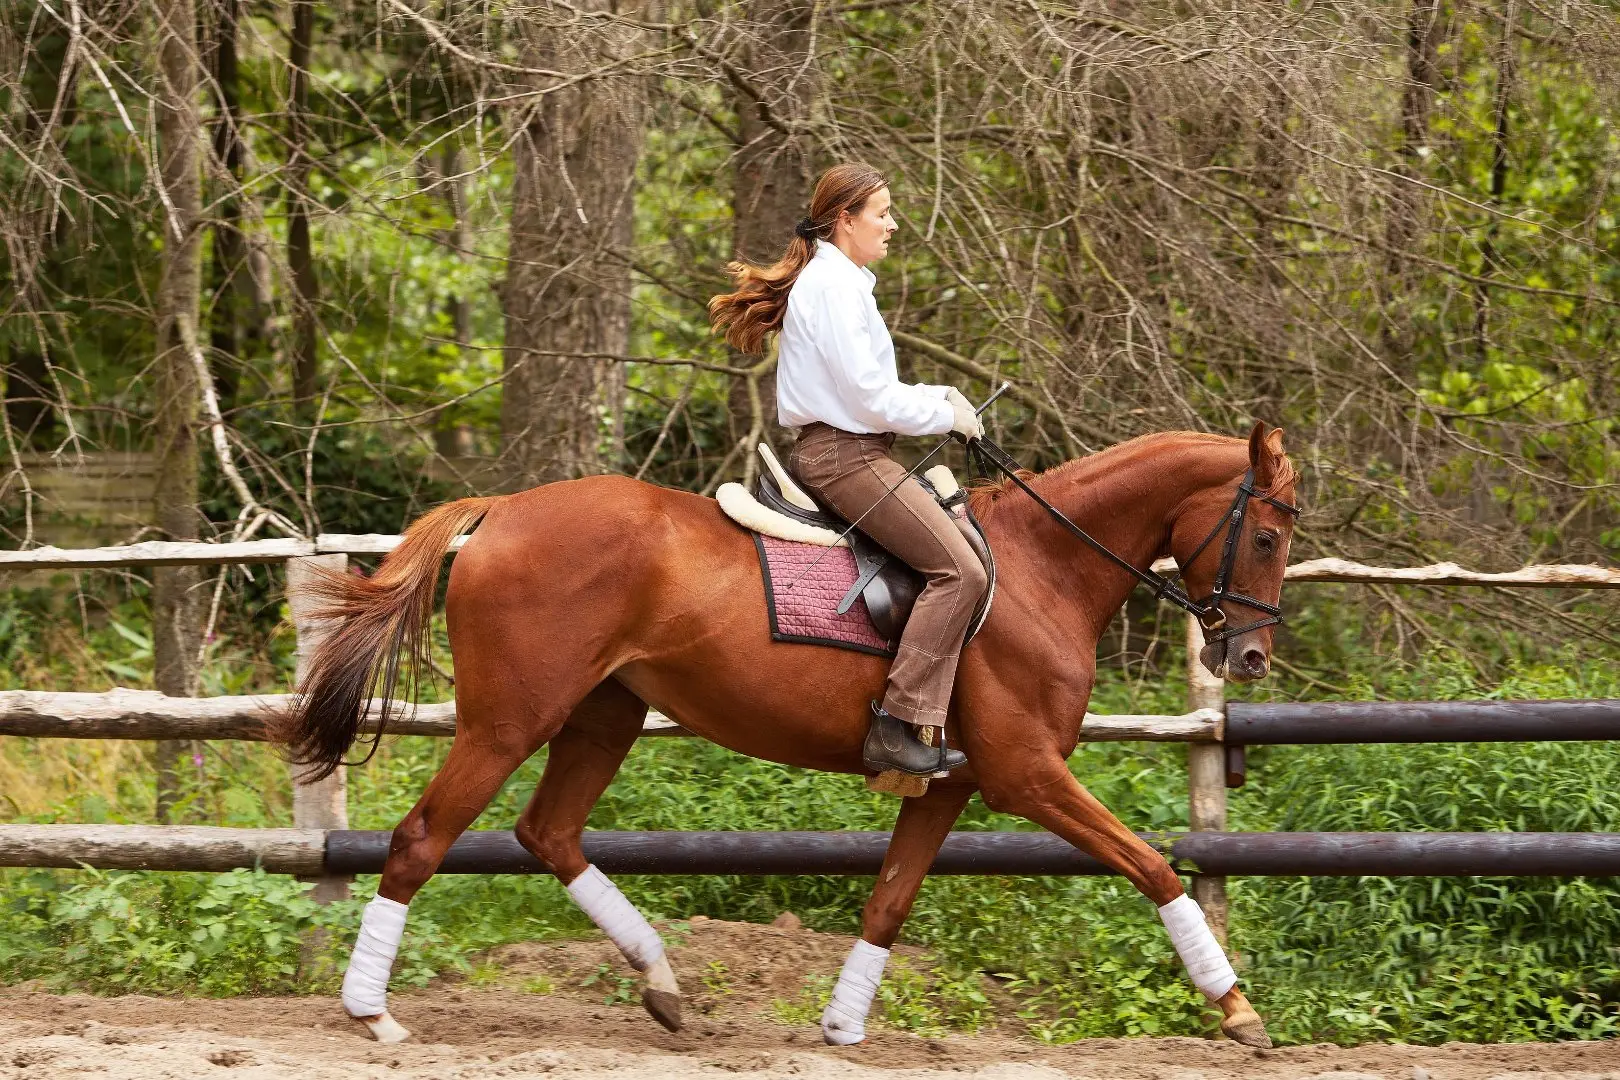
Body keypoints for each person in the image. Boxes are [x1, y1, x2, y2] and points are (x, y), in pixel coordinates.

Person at [708, 162, 987, 777]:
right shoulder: (832, 288)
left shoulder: (845, 282)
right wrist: (943, 415)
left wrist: (938, 393)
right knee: (960, 570)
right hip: (846, 457)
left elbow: (873, 388)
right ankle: (897, 722)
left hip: (856, 448)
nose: (892, 224)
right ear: (846, 220)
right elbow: (870, 398)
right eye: (882, 213)